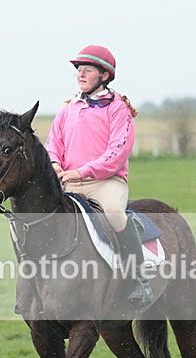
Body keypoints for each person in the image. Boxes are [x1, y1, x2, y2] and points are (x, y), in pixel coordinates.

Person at [44, 45, 151, 307]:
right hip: (68, 182)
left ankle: (138, 279)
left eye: (87, 69)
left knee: (115, 213)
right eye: (78, 69)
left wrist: (82, 171)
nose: (80, 73)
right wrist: (55, 164)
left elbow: (117, 153)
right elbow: (52, 143)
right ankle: (33, 287)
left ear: (103, 75)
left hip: (106, 183)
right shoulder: (68, 108)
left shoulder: (119, 109)